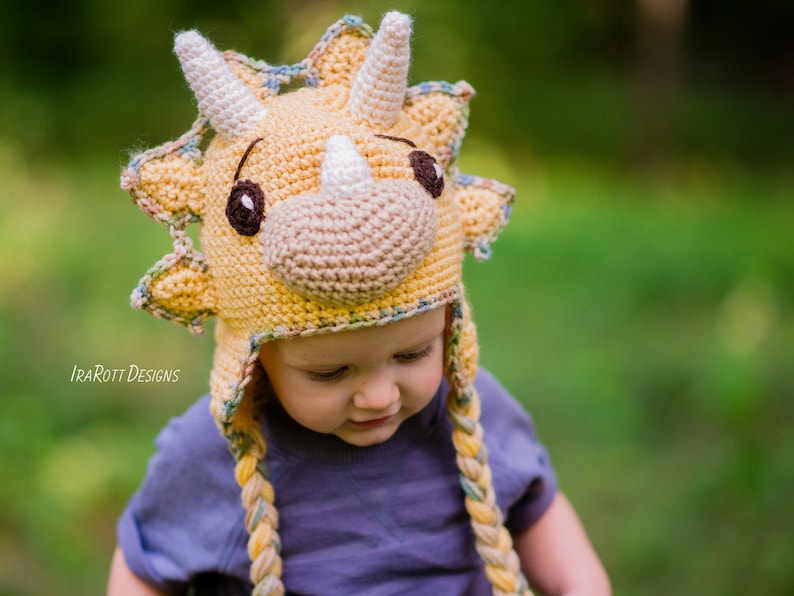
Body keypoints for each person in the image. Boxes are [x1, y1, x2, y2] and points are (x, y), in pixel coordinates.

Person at [108, 11, 610, 596]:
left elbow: (536, 510)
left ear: (449, 323)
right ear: (256, 356)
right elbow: (143, 570)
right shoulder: (210, 456)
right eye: (329, 371)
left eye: (412, 353)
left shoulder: (470, 411)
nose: (378, 396)